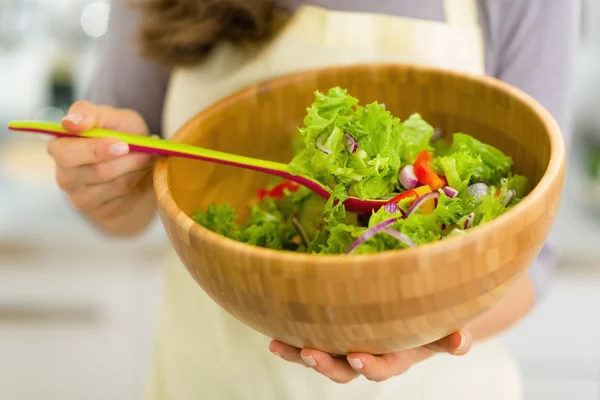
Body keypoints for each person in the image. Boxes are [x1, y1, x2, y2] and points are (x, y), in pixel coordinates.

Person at [46, 0, 579, 399]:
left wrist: (416, 335)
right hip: (215, 378)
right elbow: (134, 207)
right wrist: (110, 181)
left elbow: (532, 255)